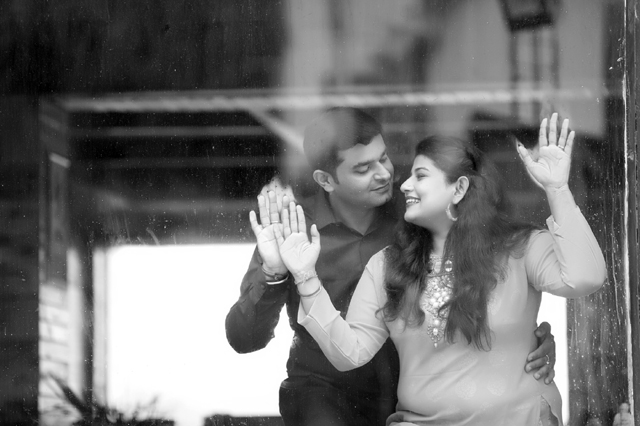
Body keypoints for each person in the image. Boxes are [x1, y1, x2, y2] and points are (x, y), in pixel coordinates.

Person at [226, 107, 557, 426]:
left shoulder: (420, 212)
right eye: (363, 168)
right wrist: (274, 273)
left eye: (383, 158)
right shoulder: (293, 233)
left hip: (412, 396)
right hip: (323, 394)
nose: (384, 174)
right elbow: (244, 339)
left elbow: (487, 273)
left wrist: (523, 343)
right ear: (326, 180)